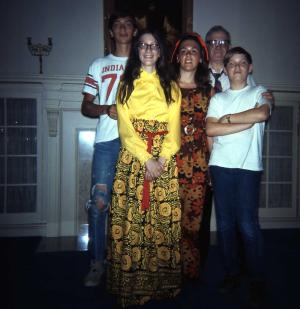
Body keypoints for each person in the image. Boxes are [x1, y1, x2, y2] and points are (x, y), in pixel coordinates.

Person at [106, 29, 182, 307]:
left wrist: (160, 159)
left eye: (154, 46)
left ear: (160, 52)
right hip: (134, 159)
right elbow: (125, 129)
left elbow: (174, 130)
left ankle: (162, 285)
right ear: (137, 51)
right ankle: (132, 283)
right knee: (134, 220)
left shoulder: (171, 87)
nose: (148, 50)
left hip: (163, 160)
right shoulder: (125, 85)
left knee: (162, 221)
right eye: (143, 46)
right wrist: (146, 158)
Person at [206, 47, 271, 308]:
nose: (236, 67)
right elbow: (210, 128)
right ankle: (232, 274)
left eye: (242, 62)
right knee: (224, 226)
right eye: (231, 63)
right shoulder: (217, 99)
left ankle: (256, 280)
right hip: (220, 166)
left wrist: (230, 120)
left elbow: (262, 114)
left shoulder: (258, 92)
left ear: (250, 67)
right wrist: (246, 123)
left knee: (247, 225)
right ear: (225, 68)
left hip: (248, 168)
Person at [81, 12, 137, 287]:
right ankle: (97, 262)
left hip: (137, 143)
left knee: (133, 206)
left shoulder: (145, 65)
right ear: (111, 32)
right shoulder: (99, 64)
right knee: (100, 203)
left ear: (134, 31)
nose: (123, 29)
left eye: (128, 24)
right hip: (106, 141)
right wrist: (106, 108)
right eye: (118, 25)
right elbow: (86, 105)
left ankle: (129, 261)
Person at [171, 33, 213, 281]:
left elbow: (213, 131)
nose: (188, 54)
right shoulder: (165, 88)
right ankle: (168, 273)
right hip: (168, 167)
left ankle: (190, 273)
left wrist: (213, 167)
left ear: (201, 58)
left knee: (192, 225)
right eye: (184, 50)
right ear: (177, 56)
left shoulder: (210, 92)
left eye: (194, 51)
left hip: (198, 167)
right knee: (168, 223)